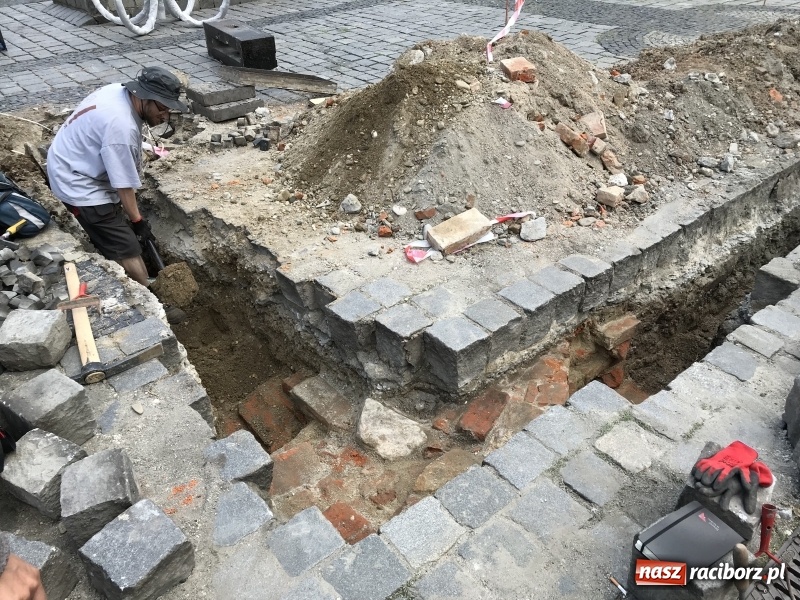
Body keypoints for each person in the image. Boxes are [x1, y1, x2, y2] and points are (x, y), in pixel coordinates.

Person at [46, 66, 188, 323]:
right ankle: (151, 299)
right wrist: (137, 221)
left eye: (169, 108)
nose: (165, 115)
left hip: (72, 159)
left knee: (123, 224)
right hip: (77, 182)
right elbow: (123, 185)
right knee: (126, 246)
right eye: (162, 107)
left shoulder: (118, 92)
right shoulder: (121, 128)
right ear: (144, 97)